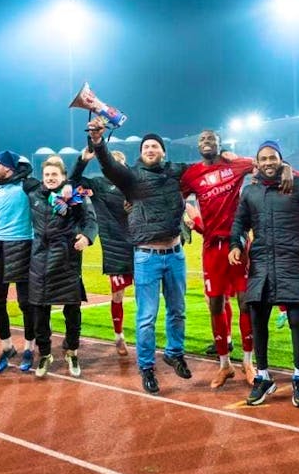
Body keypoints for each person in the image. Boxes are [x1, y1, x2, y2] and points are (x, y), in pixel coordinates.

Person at [87, 119, 192, 394]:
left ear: (163, 152)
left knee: (178, 310)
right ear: (141, 152)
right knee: (147, 316)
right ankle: (146, 367)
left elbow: (205, 170)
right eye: (146, 146)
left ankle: (174, 352)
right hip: (147, 256)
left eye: (155, 145)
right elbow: (109, 166)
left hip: (176, 254)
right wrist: (98, 142)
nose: (150, 148)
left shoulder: (175, 173)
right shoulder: (131, 177)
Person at [231, 140, 299, 408]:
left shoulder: (298, 186)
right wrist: (235, 245)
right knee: (258, 320)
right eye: (264, 159)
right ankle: (263, 376)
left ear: (281, 160)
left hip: (292, 262)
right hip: (261, 263)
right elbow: (239, 223)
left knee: (297, 320)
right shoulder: (250, 192)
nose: (268, 162)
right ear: (257, 163)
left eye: (273, 158)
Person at [180, 130, 260, 388]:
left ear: (219, 144)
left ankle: (248, 361)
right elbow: (173, 197)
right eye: (202, 139)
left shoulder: (234, 165)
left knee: (245, 303)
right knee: (215, 305)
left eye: (211, 139)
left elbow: (259, 163)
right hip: (212, 248)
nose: (206, 142)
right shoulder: (192, 174)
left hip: (238, 243)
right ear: (198, 146)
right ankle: (225, 365)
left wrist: (239, 157)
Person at [27, 156, 98, 378]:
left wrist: (86, 237)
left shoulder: (74, 196)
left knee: (72, 311)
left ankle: (72, 350)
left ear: (63, 177)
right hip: (39, 259)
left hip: (67, 259)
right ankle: (45, 354)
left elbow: (91, 220)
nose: (50, 178)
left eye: (54, 175)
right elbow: (18, 172)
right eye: (47, 174)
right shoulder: (34, 194)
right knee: (39, 312)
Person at [70, 147, 135, 357]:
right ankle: (119, 336)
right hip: (115, 249)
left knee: (145, 296)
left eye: (119, 163)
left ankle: (145, 338)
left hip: (141, 247)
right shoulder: (97, 186)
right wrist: (82, 161)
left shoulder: (134, 184)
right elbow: (73, 182)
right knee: (117, 296)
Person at [0, 150, 40, 373]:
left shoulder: (27, 186)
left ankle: (29, 347)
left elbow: (48, 189)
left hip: (23, 246)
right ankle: (7, 347)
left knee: (26, 303)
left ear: (8, 168)